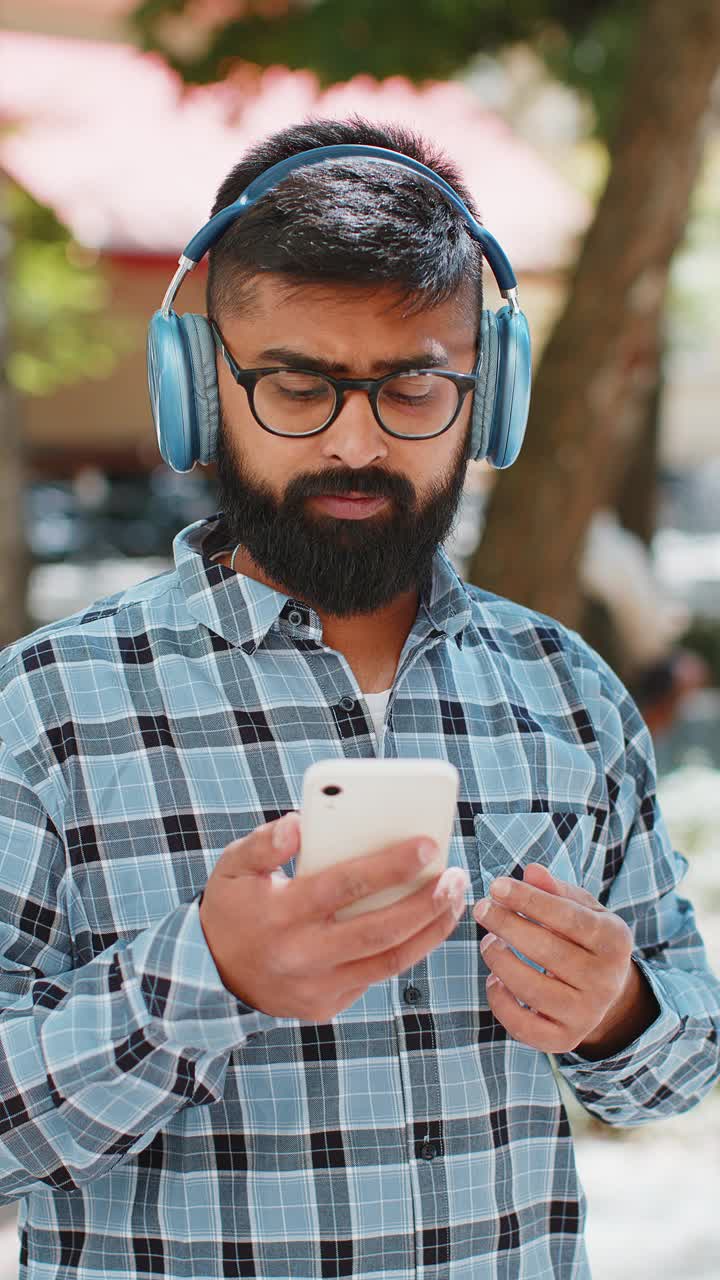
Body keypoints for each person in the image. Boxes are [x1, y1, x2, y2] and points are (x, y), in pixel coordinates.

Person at [0, 118, 718, 1280]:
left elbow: (676, 1067)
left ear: (489, 402)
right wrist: (204, 981)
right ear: (197, 388)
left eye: (414, 388)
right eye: (297, 384)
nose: (355, 439)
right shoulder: (45, 711)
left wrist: (618, 1008)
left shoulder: (569, 694)